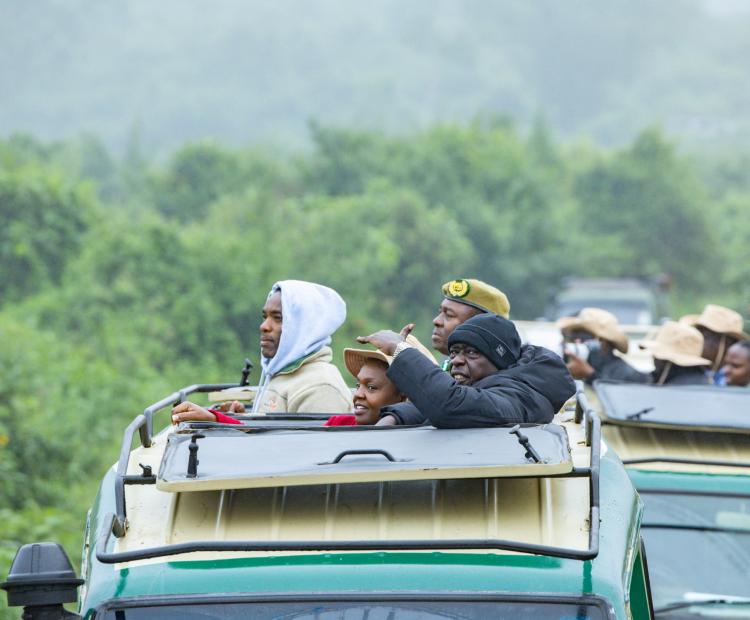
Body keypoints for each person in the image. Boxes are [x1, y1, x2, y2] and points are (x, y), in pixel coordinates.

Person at [171, 280, 351, 423]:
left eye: (278, 318)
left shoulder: (320, 387)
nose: (264, 326)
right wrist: (235, 420)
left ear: (304, 327)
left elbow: (308, 462)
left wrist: (220, 422)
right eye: (265, 317)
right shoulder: (283, 374)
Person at [357, 313, 575, 428]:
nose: (457, 361)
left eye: (471, 353)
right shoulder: (491, 386)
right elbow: (442, 403)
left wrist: (399, 349)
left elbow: (450, 405)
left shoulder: (519, 397)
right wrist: (396, 417)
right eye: (454, 352)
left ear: (501, 362)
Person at [325, 334, 438, 426]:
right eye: (358, 385)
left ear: (404, 397)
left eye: (371, 387)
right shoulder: (338, 424)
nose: (358, 394)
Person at [431, 279, 510, 371]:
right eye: (440, 312)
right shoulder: (448, 367)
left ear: (481, 327)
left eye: (449, 315)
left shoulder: (500, 380)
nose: (436, 321)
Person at [556, 307, 649, 384]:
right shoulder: (568, 367)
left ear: (605, 343)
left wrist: (590, 376)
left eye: (584, 336)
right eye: (573, 337)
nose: (577, 341)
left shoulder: (628, 375)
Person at [681, 304, 748, 385]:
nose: (696, 340)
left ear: (725, 343)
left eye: (704, 336)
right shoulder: (685, 369)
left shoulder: (734, 378)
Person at [639, 321, 711, 385]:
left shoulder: (674, 388)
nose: (653, 356)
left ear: (665, 360)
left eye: (657, 353)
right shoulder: (701, 381)